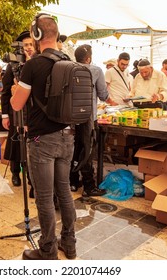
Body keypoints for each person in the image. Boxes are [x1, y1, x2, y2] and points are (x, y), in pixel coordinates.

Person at [10, 13, 77, 260]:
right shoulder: (69, 61)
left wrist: (14, 91)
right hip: (68, 136)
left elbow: (17, 105)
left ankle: (47, 249)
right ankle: (69, 244)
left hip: (42, 141)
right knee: (65, 193)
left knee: (45, 198)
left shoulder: (33, 65)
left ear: (37, 35)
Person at [69, 44, 108, 197]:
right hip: (88, 117)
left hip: (70, 118)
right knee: (87, 151)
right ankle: (88, 186)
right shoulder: (96, 70)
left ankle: (72, 182)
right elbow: (103, 94)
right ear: (89, 58)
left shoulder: (69, 69)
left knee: (73, 150)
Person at [1, 30, 35, 187]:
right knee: (15, 143)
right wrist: (5, 115)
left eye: (31, 44)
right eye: (25, 45)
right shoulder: (12, 66)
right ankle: (15, 173)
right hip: (16, 113)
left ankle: (31, 178)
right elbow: (6, 92)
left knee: (30, 147)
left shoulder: (38, 64)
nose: (28, 48)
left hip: (33, 114)